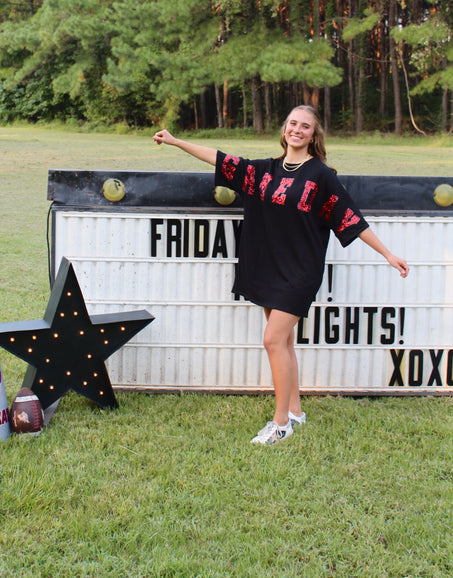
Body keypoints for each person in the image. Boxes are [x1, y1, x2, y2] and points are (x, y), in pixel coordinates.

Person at [153, 105, 410, 446]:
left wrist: (388, 253)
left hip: (300, 272)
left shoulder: (321, 175)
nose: (297, 130)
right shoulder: (264, 171)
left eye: (305, 126)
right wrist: (175, 141)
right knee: (284, 342)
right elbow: (220, 159)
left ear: (314, 135)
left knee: (272, 340)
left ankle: (281, 423)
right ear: (284, 128)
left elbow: (350, 216)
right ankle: (296, 411)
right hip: (268, 266)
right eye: (293, 123)